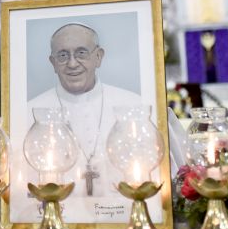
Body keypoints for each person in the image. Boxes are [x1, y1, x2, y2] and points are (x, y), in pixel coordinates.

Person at [27, 23, 143, 198]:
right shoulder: (29, 111)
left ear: (98, 57)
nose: (72, 64)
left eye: (81, 53)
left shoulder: (134, 105)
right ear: (53, 63)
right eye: (63, 55)